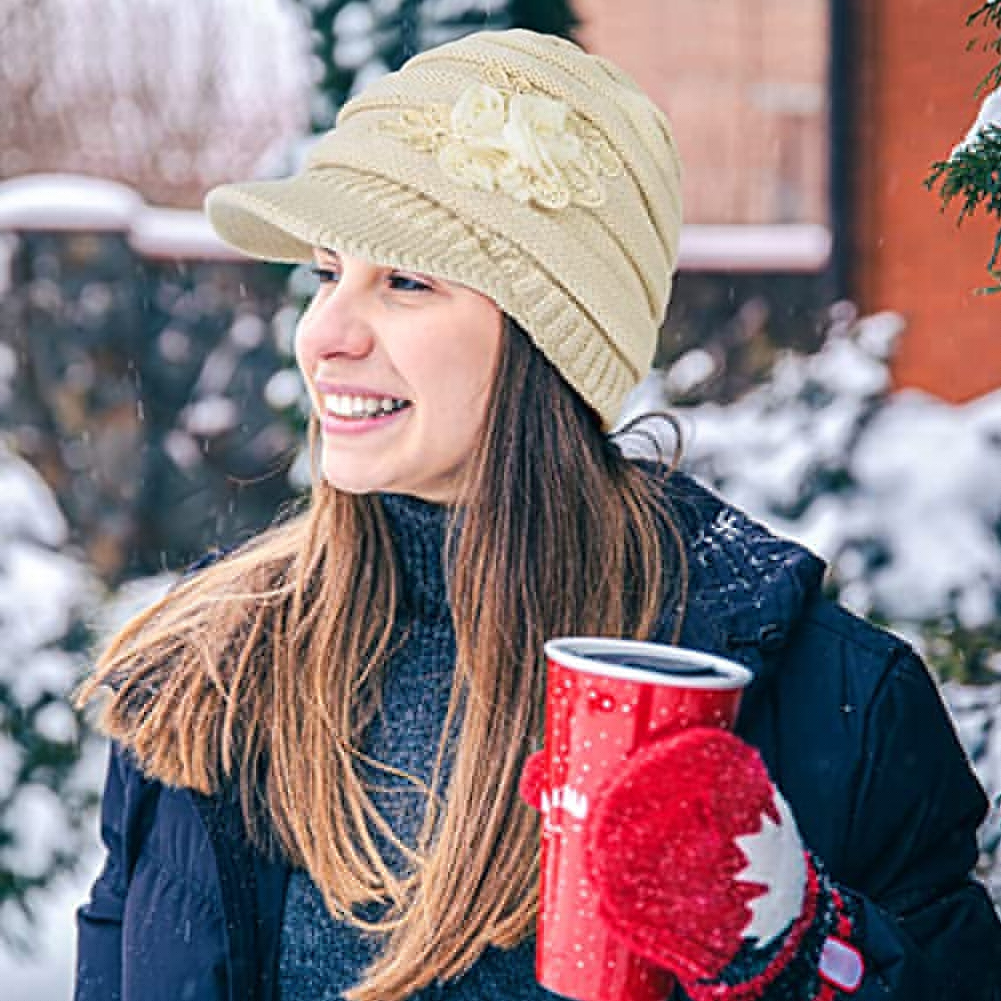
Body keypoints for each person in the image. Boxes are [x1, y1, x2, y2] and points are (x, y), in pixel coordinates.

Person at [73, 28, 1001, 1001]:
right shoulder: (206, 669)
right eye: (325, 273)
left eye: (404, 280)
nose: (325, 334)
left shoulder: (827, 702)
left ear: (548, 343)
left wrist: (800, 946)